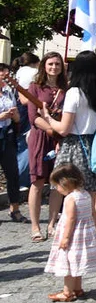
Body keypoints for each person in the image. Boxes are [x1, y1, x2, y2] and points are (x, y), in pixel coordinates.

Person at [43, 51, 96, 238]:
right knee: (91, 194)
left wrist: (48, 118)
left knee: (75, 194)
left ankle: (76, 235)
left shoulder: (74, 92)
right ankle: (93, 233)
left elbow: (64, 128)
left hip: (77, 145)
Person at [43, 164, 96, 302]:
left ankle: (67, 292)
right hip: (84, 234)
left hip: (73, 235)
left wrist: (65, 238)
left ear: (65, 183)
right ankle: (77, 288)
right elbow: (93, 212)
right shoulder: (85, 194)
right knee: (77, 262)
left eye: (57, 185)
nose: (57, 189)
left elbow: (71, 219)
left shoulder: (71, 198)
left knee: (68, 263)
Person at [26, 53, 66, 241]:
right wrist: (53, 130)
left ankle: (52, 224)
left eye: (57, 64)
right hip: (42, 138)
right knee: (37, 182)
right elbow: (33, 117)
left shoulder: (66, 88)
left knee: (58, 183)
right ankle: (35, 226)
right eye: (50, 64)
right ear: (44, 66)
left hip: (61, 139)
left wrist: (60, 134)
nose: (54, 67)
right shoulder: (34, 87)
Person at [0, 63, 25, 224]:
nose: (5, 76)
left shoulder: (9, 92)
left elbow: (17, 119)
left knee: (13, 174)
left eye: (8, 74)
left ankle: (14, 209)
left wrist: (14, 116)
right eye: (3, 73)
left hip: (7, 137)